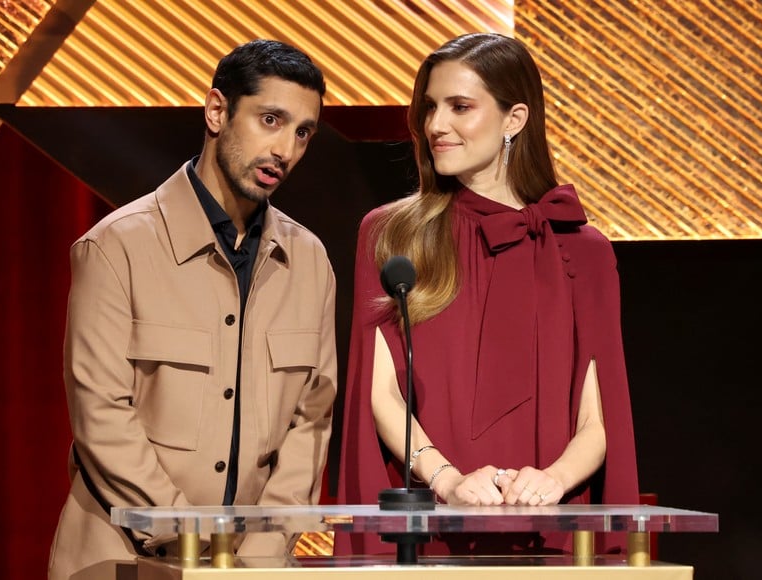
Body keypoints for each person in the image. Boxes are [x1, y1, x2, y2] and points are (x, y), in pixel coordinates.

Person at [336, 32, 638, 556]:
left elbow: (599, 415)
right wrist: (447, 480)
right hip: (427, 526)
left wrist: (552, 480)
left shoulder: (584, 250)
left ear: (514, 119)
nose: (435, 125)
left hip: (550, 530)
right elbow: (378, 392)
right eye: (430, 107)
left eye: (459, 107)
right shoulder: (390, 234)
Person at [48, 39, 337, 578]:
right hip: (120, 558)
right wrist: (195, 545)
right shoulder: (116, 247)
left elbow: (311, 420)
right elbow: (102, 415)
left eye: (302, 132)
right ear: (216, 111)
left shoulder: (311, 261)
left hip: (250, 567)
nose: (286, 149)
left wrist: (260, 554)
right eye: (270, 120)